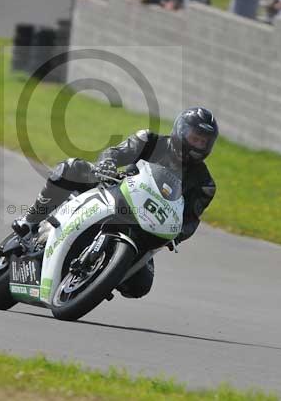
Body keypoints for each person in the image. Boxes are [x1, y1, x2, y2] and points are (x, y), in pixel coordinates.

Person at [12, 107, 219, 299]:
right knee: (70, 168)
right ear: (180, 131)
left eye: (203, 142)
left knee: (140, 286)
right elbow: (116, 153)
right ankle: (30, 220)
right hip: (114, 192)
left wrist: (177, 235)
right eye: (194, 138)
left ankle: (99, 277)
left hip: (146, 227)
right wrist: (107, 164)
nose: (197, 145)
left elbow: (191, 219)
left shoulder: (205, 184)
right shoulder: (149, 141)